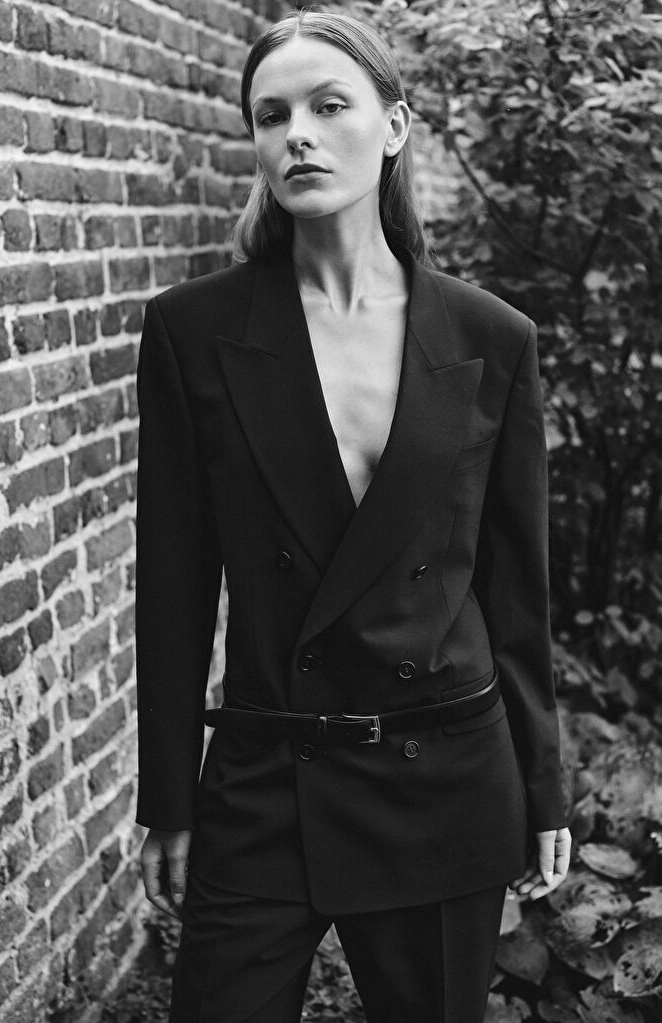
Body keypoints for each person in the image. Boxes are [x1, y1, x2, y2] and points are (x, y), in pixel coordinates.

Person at [134, 7, 571, 1022]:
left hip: (442, 775)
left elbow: (517, 591)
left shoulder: (491, 338)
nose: (298, 135)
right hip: (263, 775)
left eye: (329, 106)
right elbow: (173, 585)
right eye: (271, 115)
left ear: (394, 126)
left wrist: (543, 781)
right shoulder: (192, 332)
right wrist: (170, 796)